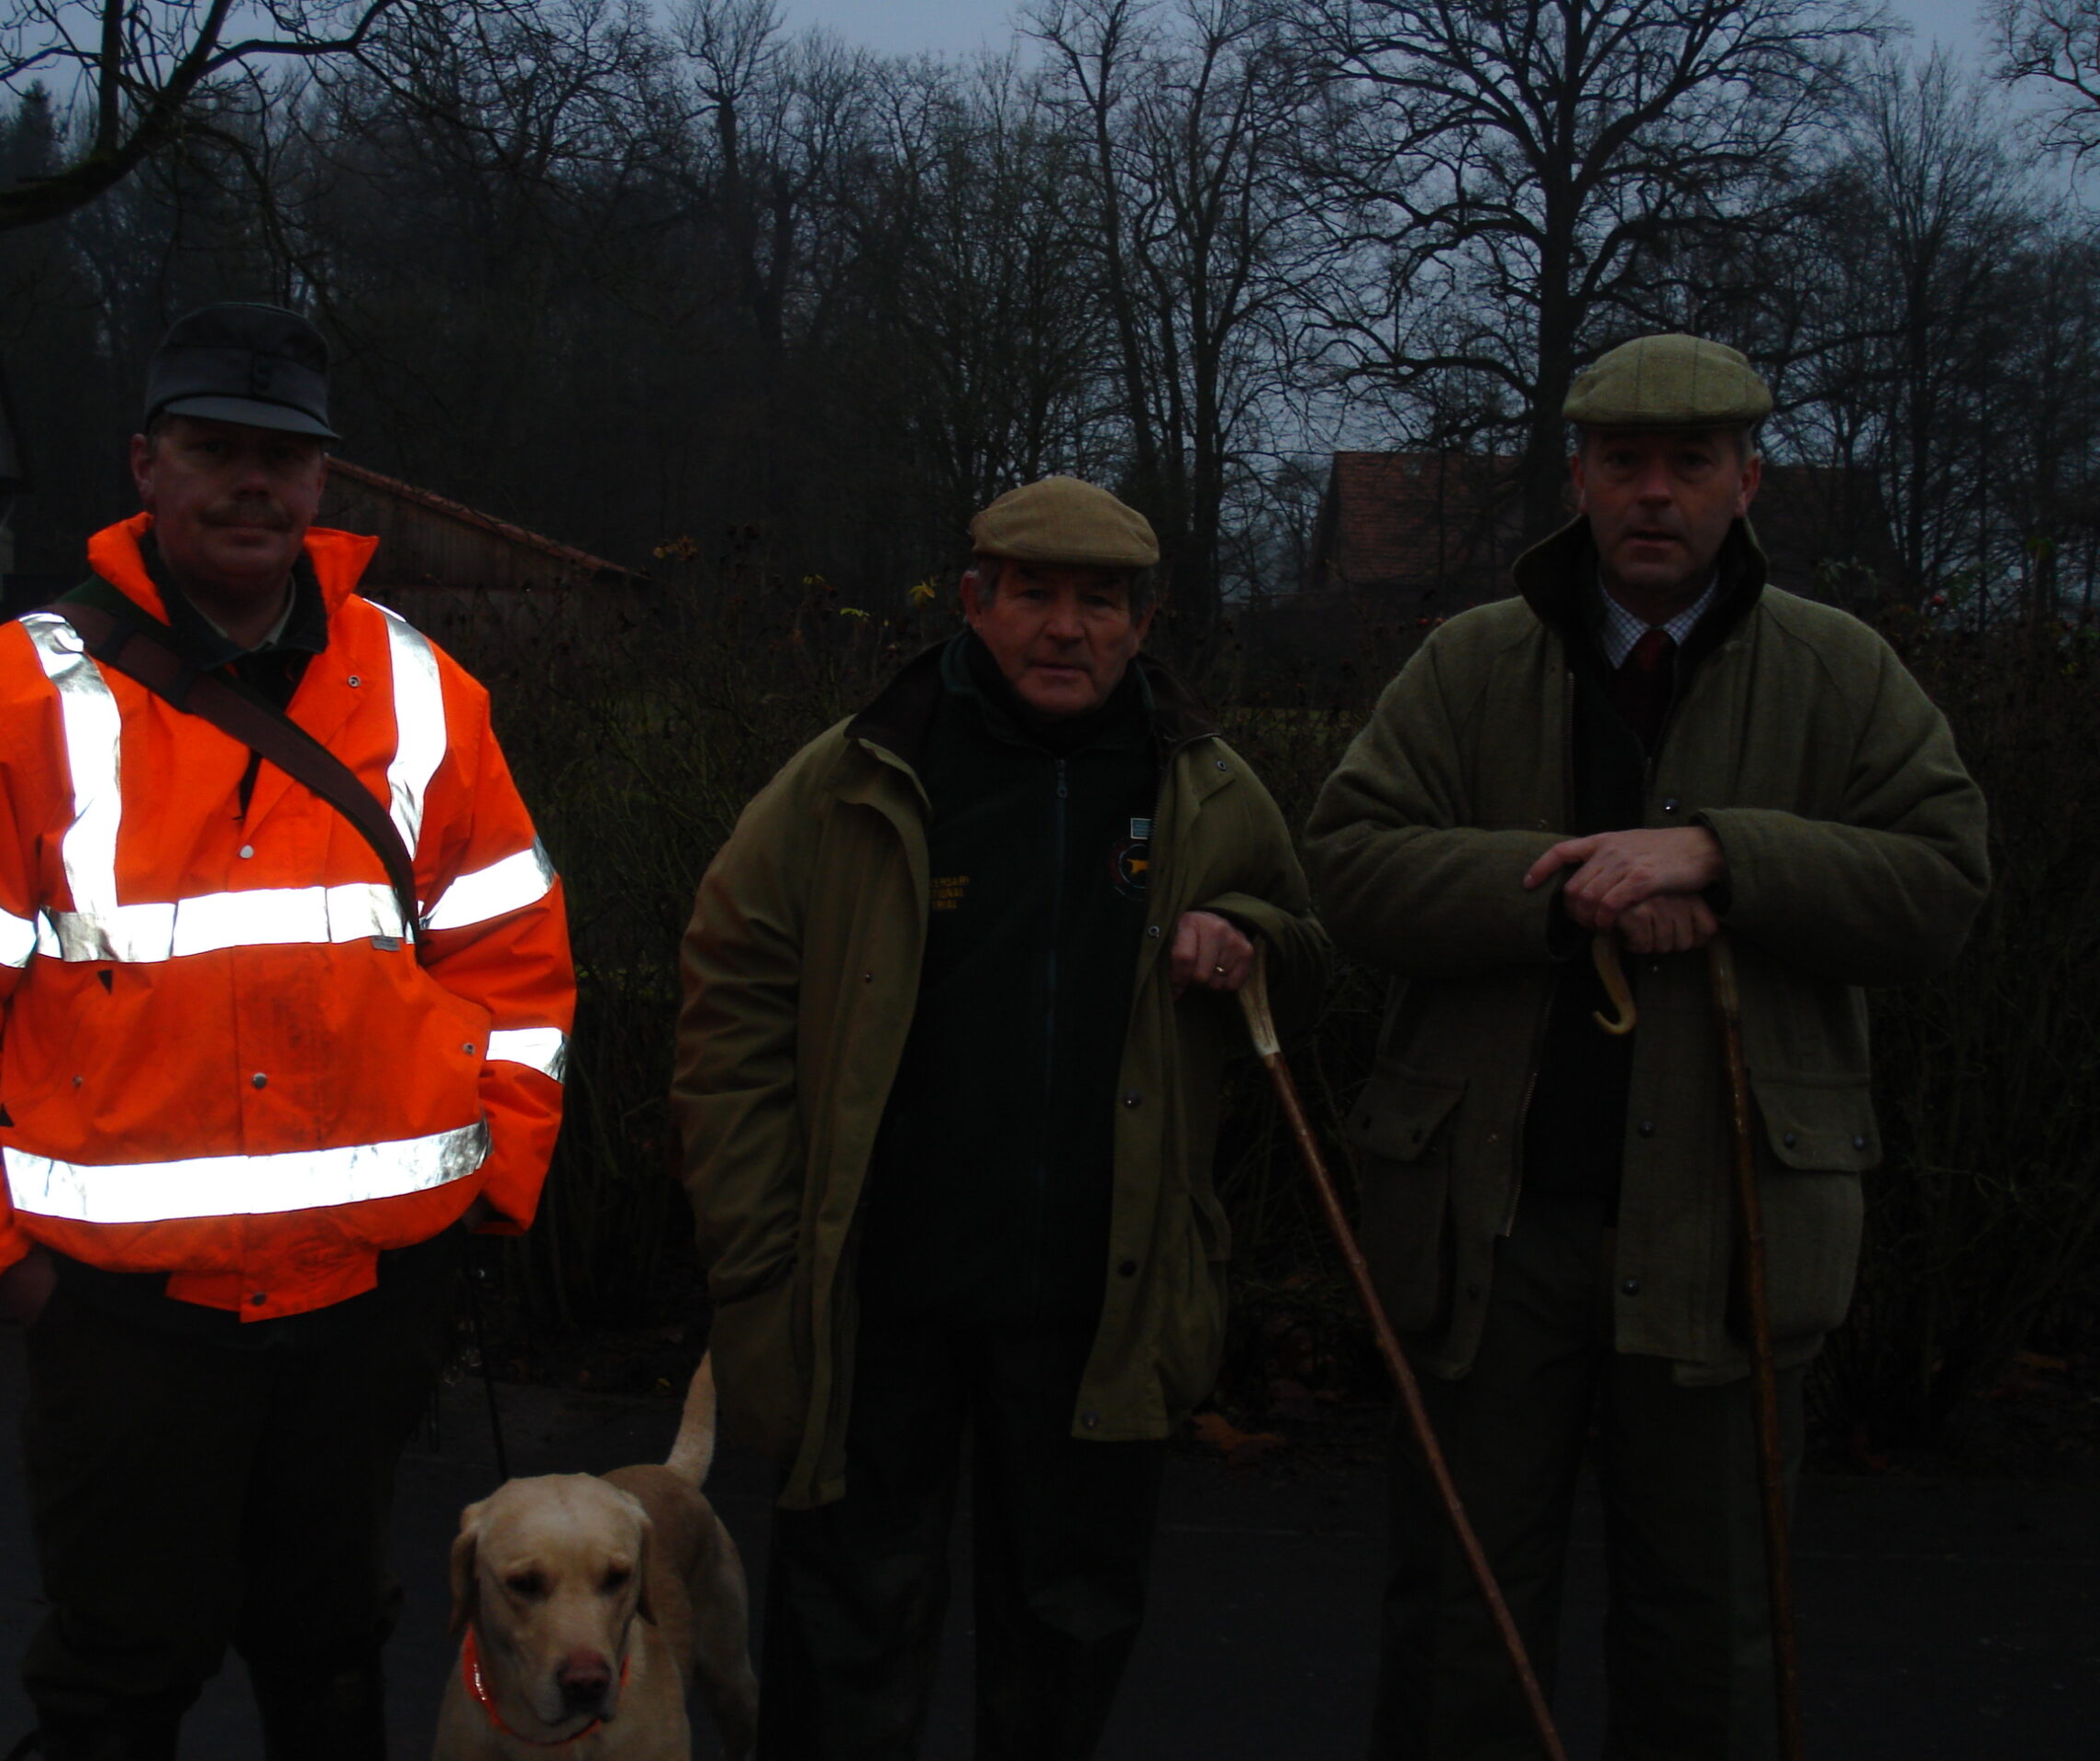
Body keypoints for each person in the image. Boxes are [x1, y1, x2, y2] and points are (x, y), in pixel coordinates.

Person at [0, 303, 575, 1760]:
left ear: (321, 480)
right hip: (124, 1322)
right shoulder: (12, 695)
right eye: (214, 449)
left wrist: (492, 1177)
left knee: (333, 1650)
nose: (252, 483)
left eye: (281, 457)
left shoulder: (421, 690)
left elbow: (515, 954)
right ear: (145, 465)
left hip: (363, 1304)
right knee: (118, 1672)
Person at [1308, 333, 1989, 1757]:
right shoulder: (1469, 664)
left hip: (1729, 1242)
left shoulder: (1842, 671)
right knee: (1461, 1627)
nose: (1655, 493)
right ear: (1578, 480)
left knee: (1713, 1635)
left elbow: (1941, 884)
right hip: (1490, 1236)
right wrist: (1576, 890)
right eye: (1624, 463)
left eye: (1691, 463)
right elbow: (1352, 863)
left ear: (1751, 481)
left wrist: (1724, 857)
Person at [672, 475, 1326, 1759]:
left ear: (1145, 623)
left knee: (1066, 1637)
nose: (1066, 627)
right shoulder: (854, 775)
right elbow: (732, 986)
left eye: (1100, 601)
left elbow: (1307, 957)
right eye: (1034, 594)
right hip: (877, 1296)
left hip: (1098, 1302)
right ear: (974, 602)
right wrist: (755, 1244)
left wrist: (1247, 933)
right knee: (845, 1641)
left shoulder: (1206, 788)